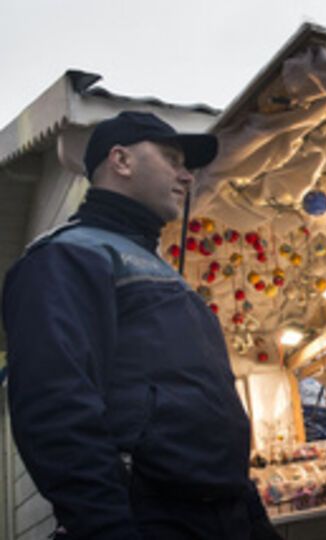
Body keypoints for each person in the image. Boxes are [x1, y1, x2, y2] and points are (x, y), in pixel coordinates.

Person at [2, 111, 279, 540]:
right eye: (173, 159)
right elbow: (55, 409)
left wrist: (251, 515)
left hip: (228, 515)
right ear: (122, 161)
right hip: (152, 517)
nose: (187, 177)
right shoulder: (66, 258)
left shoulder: (162, 271)